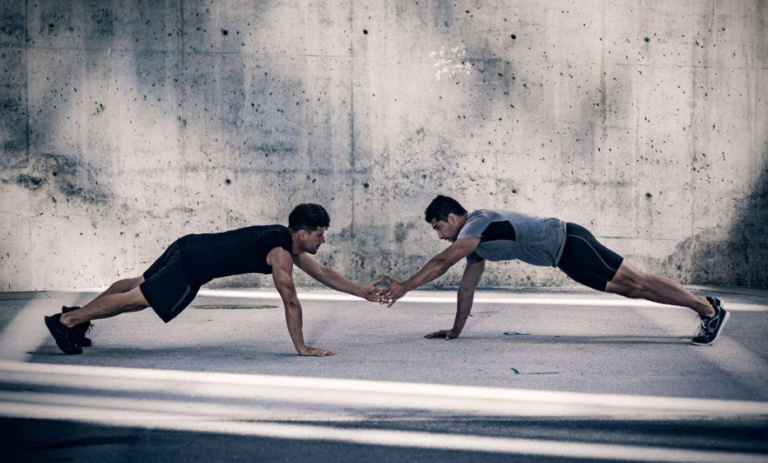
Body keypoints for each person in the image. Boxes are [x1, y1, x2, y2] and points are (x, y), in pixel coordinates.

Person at [378, 195, 729, 346]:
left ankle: (708, 309)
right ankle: (705, 305)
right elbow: (467, 288)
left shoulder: (478, 222)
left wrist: (405, 286)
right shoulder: (476, 245)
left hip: (571, 240)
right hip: (564, 259)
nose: (439, 237)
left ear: (453, 219)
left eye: (438, 228)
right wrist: (455, 329)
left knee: (637, 280)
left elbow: (444, 261)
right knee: (631, 289)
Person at [45, 204, 382, 357]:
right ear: (303, 232)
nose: (323, 240)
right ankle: (67, 320)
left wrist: (362, 292)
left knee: (137, 284)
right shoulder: (281, 252)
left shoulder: (285, 242)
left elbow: (324, 274)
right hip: (193, 263)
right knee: (137, 299)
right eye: (320, 235)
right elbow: (290, 299)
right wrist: (302, 347)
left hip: (188, 244)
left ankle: (75, 316)